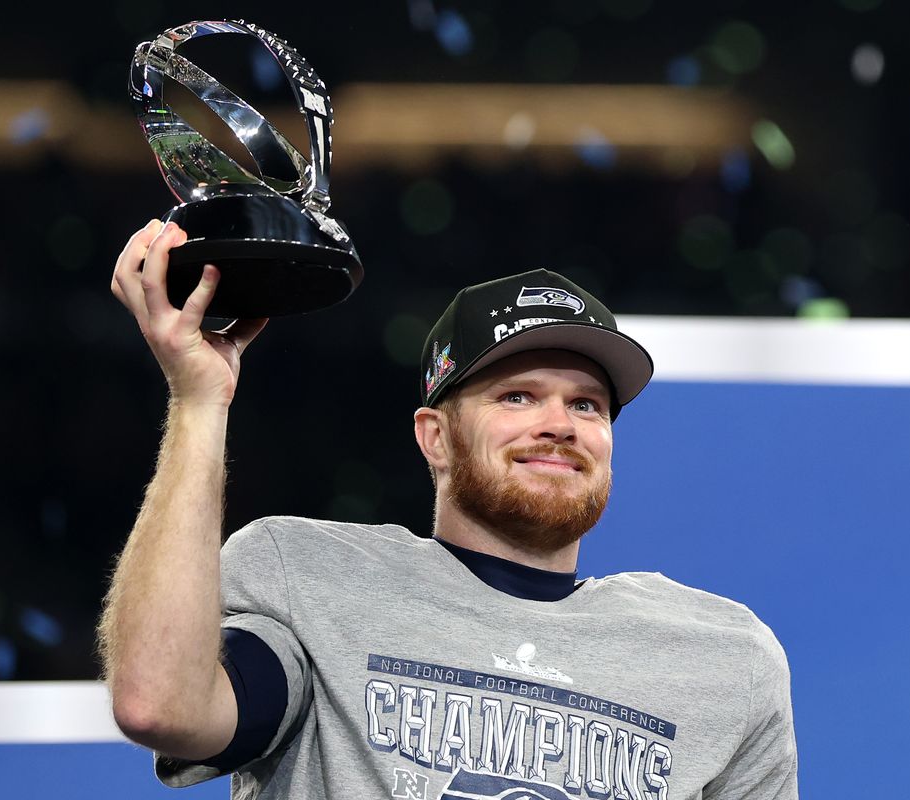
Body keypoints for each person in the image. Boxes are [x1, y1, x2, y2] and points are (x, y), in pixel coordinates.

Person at [98, 219, 798, 800]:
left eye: (586, 404)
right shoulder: (312, 582)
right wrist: (198, 403)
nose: (560, 422)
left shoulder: (725, 659)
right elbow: (160, 704)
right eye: (517, 396)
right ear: (435, 438)